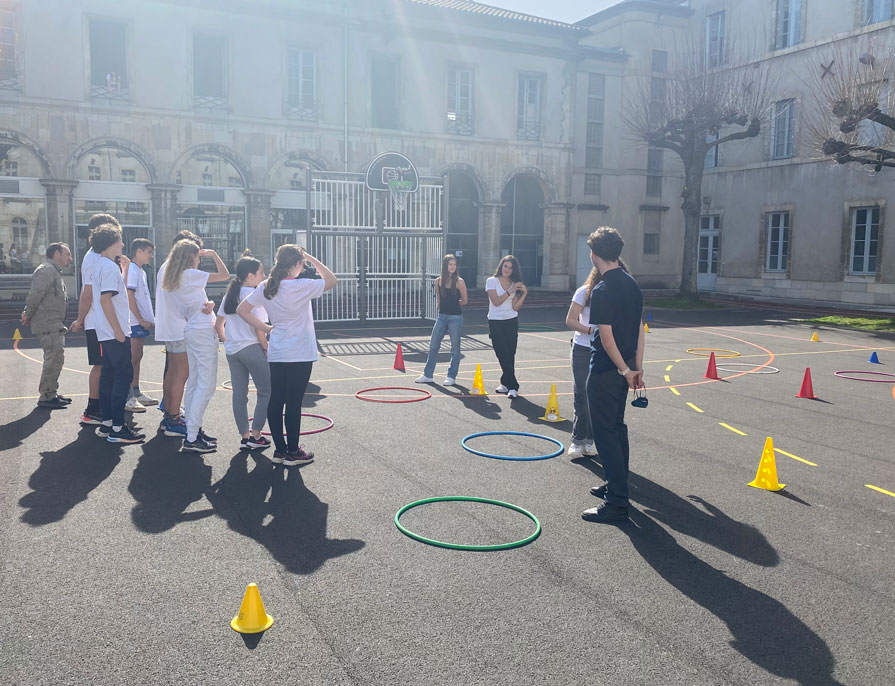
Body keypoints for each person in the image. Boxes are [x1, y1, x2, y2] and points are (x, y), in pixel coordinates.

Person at [237, 244, 337, 466]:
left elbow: (242, 310)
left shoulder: (266, 285)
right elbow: (331, 279)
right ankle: (293, 452)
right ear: (298, 264)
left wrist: (266, 328)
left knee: (276, 400)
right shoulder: (302, 285)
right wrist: (311, 257)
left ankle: (281, 451)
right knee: (293, 403)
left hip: (278, 351)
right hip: (299, 353)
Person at [581, 227, 644, 524]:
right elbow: (639, 331)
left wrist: (623, 368)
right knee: (617, 428)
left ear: (594, 256)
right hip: (625, 369)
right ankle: (615, 484)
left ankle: (617, 503)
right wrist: (635, 368)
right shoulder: (632, 285)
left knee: (606, 433)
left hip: (607, 371)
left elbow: (606, 340)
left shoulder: (603, 290)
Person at [155, 230, 225, 438]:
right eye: (197, 252)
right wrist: (212, 255)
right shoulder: (183, 272)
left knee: (173, 372)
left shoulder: (168, 269)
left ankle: (170, 414)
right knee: (182, 375)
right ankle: (174, 418)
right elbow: (223, 275)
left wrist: (207, 305)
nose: (199, 256)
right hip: (181, 327)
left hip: (173, 326)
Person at [89, 223, 144, 444]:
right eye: (120, 240)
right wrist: (118, 330)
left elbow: (112, 293)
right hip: (114, 332)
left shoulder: (103, 265)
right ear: (111, 242)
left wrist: (124, 270)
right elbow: (105, 299)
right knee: (123, 376)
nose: (123, 244)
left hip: (105, 332)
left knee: (109, 376)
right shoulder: (108, 267)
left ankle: (108, 423)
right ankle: (118, 428)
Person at [215, 251, 272, 451]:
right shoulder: (255, 295)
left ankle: (245, 436)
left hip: (233, 351)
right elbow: (259, 328)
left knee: (239, 394)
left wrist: (228, 341)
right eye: (261, 272)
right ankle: (256, 435)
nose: (264, 276)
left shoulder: (231, 293)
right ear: (250, 276)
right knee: (266, 392)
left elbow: (218, 324)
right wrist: (265, 347)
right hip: (251, 348)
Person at [71, 213, 122, 426]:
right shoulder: (94, 258)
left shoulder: (99, 257)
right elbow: (87, 293)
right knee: (101, 365)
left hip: (102, 321)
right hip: (98, 322)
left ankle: (102, 406)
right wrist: (81, 319)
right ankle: (93, 408)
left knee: (105, 365)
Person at [22, 243, 73, 409]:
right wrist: (27, 314)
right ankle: (47, 395)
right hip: (48, 323)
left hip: (53, 323)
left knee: (56, 359)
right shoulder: (46, 270)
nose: (70, 259)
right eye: (67, 254)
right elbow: (35, 294)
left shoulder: (54, 271)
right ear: (57, 253)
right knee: (53, 359)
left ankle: (51, 392)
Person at [415, 254, 468, 386]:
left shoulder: (459, 281)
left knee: (455, 348)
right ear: (445, 266)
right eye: (450, 264)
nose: (453, 267)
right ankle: (428, 375)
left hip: (455, 317)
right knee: (433, 346)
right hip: (442, 317)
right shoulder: (438, 281)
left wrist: (454, 304)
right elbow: (438, 299)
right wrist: (441, 309)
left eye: (454, 264)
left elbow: (465, 301)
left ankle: (451, 376)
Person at [565, 266, 600, 459]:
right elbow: (570, 320)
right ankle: (578, 440)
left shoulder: (614, 293)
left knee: (597, 398)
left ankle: (590, 441)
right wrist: (590, 331)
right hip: (582, 348)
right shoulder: (584, 292)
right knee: (582, 395)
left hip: (605, 350)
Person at [485, 255, 527, 398]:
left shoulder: (515, 283)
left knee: (510, 353)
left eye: (510, 267)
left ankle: (505, 383)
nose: (507, 270)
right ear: (501, 266)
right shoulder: (491, 281)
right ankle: (513, 385)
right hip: (495, 321)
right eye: (505, 266)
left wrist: (524, 294)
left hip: (511, 321)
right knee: (501, 353)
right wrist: (510, 290)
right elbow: (496, 301)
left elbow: (515, 307)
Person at [125, 238, 156, 412]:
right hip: (134, 321)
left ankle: (136, 391)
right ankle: (128, 395)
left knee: (138, 356)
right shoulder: (131, 270)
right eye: (149, 252)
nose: (151, 256)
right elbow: (129, 296)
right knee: (132, 358)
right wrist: (140, 318)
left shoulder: (141, 271)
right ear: (139, 252)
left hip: (141, 321)